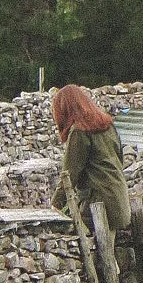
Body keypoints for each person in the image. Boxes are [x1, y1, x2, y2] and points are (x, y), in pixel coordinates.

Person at [50, 85, 132, 233]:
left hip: (98, 206)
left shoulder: (79, 131)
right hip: (119, 201)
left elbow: (69, 174)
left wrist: (55, 206)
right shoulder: (107, 123)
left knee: (71, 234)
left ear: (65, 110)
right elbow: (119, 159)